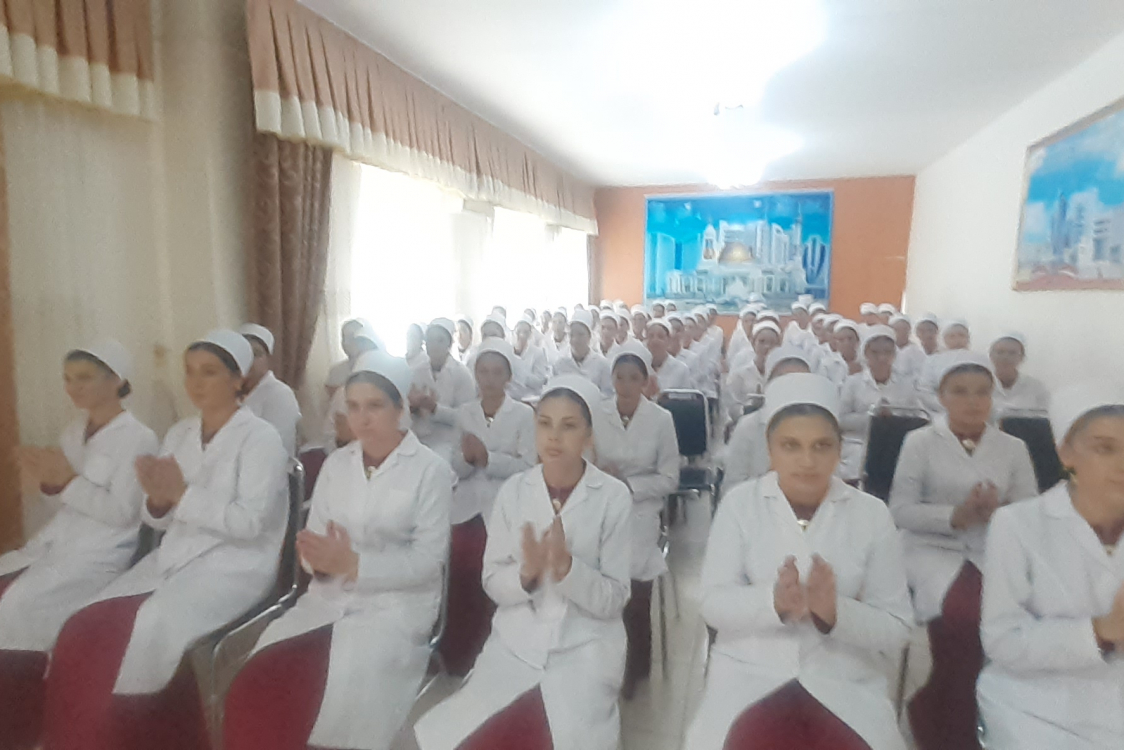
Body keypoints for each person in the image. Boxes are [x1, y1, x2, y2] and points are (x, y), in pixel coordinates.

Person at [40, 330, 288, 750]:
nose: (195, 383)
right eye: (189, 371)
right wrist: (157, 502)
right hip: (174, 555)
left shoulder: (261, 438)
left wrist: (181, 496)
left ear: (238, 379)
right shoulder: (179, 433)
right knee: (84, 622)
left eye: (209, 372)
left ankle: (148, 737)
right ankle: (78, 737)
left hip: (235, 565)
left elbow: (250, 524)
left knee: (147, 627)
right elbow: (156, 519)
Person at [222, 350, 452, 750]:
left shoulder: (430, 471)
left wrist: (357, 565)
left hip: (396, 606)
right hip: (328, 596)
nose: (361, 418)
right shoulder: (336, 465)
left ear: (400, 408)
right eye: (353, 406)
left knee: (348, 692)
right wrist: (322, 563)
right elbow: (312, 543)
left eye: (375, 406)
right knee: (264, 669)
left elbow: (428, 562)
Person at [686, 373, 912, 750]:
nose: (807, 461)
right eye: (791, 445)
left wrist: (834, 613)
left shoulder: (871, 514)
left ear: (839, 450)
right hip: (750, 672)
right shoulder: (740, 505)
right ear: (770, 450)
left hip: (844, 677)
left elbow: (897, 627)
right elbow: (712, 603)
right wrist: (773, 603)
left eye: (822, 446)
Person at [414, 376, 632, 750]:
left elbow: (615, 598)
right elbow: (492, 580)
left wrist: (567, 570)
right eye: (545, 423)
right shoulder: (514, 491)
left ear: (589, 436)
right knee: (463, 733)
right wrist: (526, 577)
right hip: (515, 642)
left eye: (568, 426)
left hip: (585, 646)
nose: (554, 437)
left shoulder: (613, 497)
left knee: (569, 737)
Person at [0, 341, 158, 748]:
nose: (73, 388)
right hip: (57, 542)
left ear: (116, 380)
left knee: (15, 608)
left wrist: (66, 481)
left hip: (101, 552)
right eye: (68, 379)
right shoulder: (73, 431)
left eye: (84, 378)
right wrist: (48, 482)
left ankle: (23, 726)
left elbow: (123, 513)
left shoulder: (138, 439)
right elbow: (63, 501)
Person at [889, 351, 1038, 750]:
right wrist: (956, 515)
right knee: (964, 614)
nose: (973, 401)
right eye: (960, 391)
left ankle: (939, 705)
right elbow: (900, 510)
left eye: (982, 392)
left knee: (1011, 615)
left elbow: (1030, 509)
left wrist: (997, 512)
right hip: (931, 548)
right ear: (941, 396)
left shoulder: (1013, 447)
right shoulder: (919, 442)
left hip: (994, 548)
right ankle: (955, 720)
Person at [977, 382, 1124, 749]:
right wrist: (1099, 633)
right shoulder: (1018, 524)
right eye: (1105, 448)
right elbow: (1002, 640)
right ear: (1066, 453)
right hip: (1035, 705)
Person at [444, 340, 537, 676]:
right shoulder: (464, 413)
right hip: (467, 506)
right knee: (461, 577)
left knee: (496, 580)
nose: (489, 379)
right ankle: (458, 654)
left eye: (497, 372)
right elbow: (455, 464)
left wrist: (488, 459)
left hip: (504, 506)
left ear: (509, 377)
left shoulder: (523, 415)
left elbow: (528, 465)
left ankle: (493, 654)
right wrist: (468, 459)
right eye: (483, 371)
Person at [596, 344, 679, 698]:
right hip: (600, 506)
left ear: (646, 382)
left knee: (630, 578)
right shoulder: (597, 414)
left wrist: (629, 485)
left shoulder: (661, 419)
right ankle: (601, 663)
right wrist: (599, 474)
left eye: (634, 378)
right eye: (620, 378)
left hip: (642, 511)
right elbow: (584, 462)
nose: (626, 386)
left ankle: (634, 665)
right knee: (592, 575)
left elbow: (670, 478)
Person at [838, 326, 921, 482]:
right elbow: (841, 419)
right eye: (875, 353)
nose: (882, 358)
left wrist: (894, 419)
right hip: (860, 443)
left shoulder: (906, 384)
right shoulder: (853, 383)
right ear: (865, 354)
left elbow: (917, 417)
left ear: (894, 354)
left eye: (887, 352)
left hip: (896, 444)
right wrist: (872, 417)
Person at [723, 348, 813, 490]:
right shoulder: (748, 427)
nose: (793, 387)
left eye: (801, 381)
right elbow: (732, 487)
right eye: (784, 380)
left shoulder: (820, 428)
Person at [410, 318, 477, 462]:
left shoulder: (462, 374)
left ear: (449, 343)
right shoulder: (417, 371)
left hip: (448, 441)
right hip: (418, 438)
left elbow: (468, 417)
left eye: (440, 340)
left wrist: (435, 409)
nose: (434, 346)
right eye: (430, 340)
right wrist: (413, 406)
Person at [239, 324, 302, 457]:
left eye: (256, 354)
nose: (249, 360)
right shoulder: (228, 393)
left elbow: (275, 446)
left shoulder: (280, 394)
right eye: (243, 354)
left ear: (269, 359)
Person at [322, 319, 382, 450]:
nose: (348, 343)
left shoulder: (393, 390)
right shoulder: (342, 392)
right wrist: (344, 438)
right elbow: (330, 436)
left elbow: (401, 432)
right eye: (344, 338)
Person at [552, 309, 612, 397]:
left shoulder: (602, 364)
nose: (575, 339)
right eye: (572, 335)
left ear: (589, 336)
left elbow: (608, 395)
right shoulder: (560, 363)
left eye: (580, 335)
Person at [917, 319, 973, 414]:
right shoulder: (933, 360)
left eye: (961, 335)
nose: (957, 340)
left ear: (968, 338)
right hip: (941, 413)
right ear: (944, 339)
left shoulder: (980, 359)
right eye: (952, 336)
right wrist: (947, 406)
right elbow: (925, 390)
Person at [989, 333, 1050, 416]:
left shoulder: (1036, 387)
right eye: (1000, 352)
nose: (1005, 357)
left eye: (1012, 353)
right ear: (990, 355)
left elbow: (1045, 416)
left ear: (1022, 358)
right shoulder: (980, 384)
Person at [326, 318, 381, 397]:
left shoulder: (383, 368)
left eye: (352, 337)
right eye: (344, 338)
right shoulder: (336, 372)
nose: (346, 342)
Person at [511, 314, 549, 401]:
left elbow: (539, 381)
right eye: (518, 331)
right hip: (510, 397)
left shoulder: (538, 353)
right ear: (514, 332)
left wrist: (519, 374)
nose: (521, 335)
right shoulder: (507, 351)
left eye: (525, 332)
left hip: (530, 398)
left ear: (530, 334)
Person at [646, 319, 692, 391]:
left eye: (660, 337)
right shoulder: (640, 366)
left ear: (669, 340)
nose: (655, 341)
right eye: (651, 336)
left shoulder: (681, 369)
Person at [889, 314, 926, 386]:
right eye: (897, 330)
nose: (901, 333)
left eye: (904, 329)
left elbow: (921, 374)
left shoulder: (917, 351)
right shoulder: (886, 350)